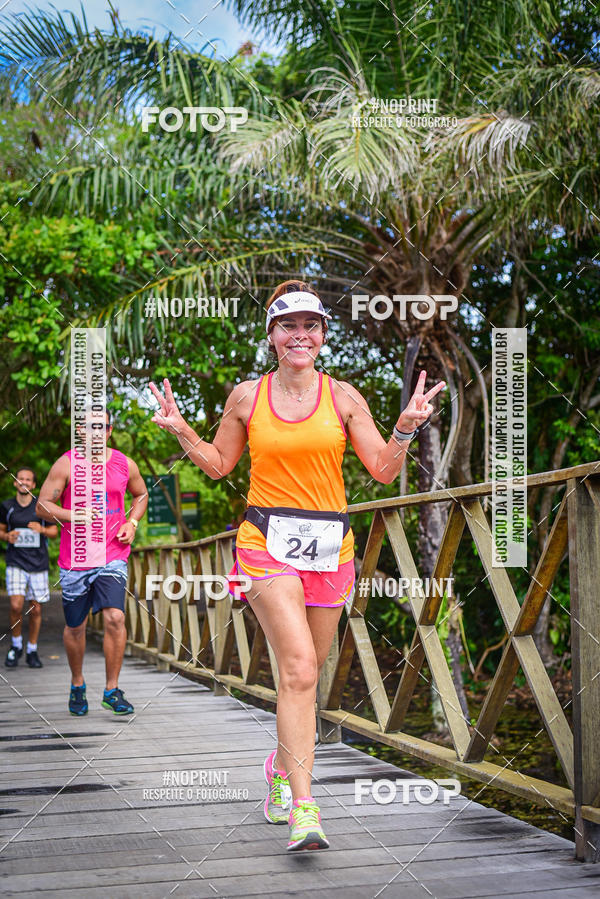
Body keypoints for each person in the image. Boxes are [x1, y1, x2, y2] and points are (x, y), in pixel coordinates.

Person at [149, 280, 445, 851]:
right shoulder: (246, 397)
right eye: (288, 325)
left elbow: (383, 470)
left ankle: (281, 771)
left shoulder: (344, 398)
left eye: (311, 326)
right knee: (301, 669)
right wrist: (182, 429)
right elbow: (216, 465)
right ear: (272, 337)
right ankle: (306, 809)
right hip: (265, 543)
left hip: (331, 548)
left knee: (306, 676)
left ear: (323, 338)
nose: (300, 335)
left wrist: (406, 425)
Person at [36, 410, 148, 716]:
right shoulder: (67, 463)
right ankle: (77, 683)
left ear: (110, 431)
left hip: (113, 555)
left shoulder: (125, 464)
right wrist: (75, 516)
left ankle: (111, 690)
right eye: (88, 427)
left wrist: (133, 523)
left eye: (102, 427)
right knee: (76, 627)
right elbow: (43, 505)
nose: (95, 432)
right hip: (76, 560)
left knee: (115, 618)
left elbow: (141, 495)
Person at [1, 467, 58, 668]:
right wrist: (7, 536)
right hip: (16, 561)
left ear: (34, 485)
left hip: (38, 564)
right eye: (20, 479)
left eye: (28, 479)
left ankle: (32, 649)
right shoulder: (7, 506)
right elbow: (1, 529)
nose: (23, 481)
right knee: (16, 605)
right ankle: (16, 645)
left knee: (35, 609)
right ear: (15, 482)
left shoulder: (40, 506)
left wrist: (41, 529)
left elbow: (54, 530)